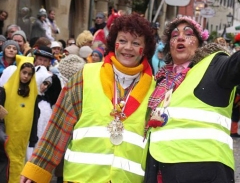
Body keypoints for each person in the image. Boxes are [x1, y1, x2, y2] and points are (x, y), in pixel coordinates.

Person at [20, 13, 156, 183]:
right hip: (81, 178)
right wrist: (37, 168)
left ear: (146, 48)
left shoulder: (155, 89)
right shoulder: (86, 75)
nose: (128, 47)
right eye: (123, 40)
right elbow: (59, 125)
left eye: (136, 43)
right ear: (114, 43)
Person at [144, 16, 238, 183]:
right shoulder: (160, 80)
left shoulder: (215, 65)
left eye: (188, 34)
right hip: (160, 169)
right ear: (168, 46)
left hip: (204, 171)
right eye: (174, 35)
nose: (180, 37)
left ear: (200, 44)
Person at [0, 55, 37, 183]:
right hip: (7, 133)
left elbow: (35, 115)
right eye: (24, 72)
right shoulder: (5, 90)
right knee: (7, 160)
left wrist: (33, 137)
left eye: (29, 74)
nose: (26, 76)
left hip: (23, 136)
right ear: (18, 72)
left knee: (19, 160)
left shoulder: (32, 93)